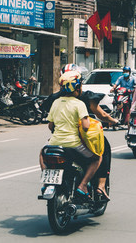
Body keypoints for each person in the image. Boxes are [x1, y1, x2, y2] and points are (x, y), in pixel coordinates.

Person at [42, 70, 102, 198]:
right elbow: (86, 127)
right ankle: (83, 185)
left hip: (54, 144)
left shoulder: (56, 103)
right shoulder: (79, 104)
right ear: (77, 87)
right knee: (97, 158)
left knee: (42, 154)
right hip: (73, 145)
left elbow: (50, 126)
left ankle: (47, 181)